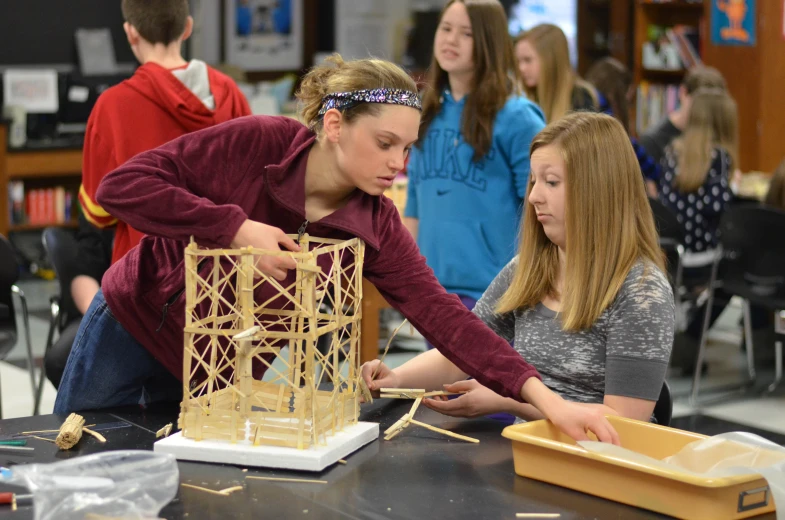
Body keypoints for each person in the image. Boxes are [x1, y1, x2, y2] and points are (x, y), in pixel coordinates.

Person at [54, 55, 619, 445]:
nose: (399, 164)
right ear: (333, 125)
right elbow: (121, 187)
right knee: (75, 468)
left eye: (408, 148)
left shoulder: (375, 224)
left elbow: (448, 318)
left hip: (218, 371)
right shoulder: (258, 143)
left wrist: (548, 401)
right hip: (128, 328)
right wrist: (234, 228)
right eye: (384, 143)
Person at [364, 112, 674, 423]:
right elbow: (465, 348)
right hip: (527, 453)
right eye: (533, 181)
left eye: (551, 182)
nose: (534, 197)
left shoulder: (642, 291)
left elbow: (625, 422)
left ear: (597, 189)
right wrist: (397, 379)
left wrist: (511, 400)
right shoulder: (529, 267)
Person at [403, 0, 545, 335]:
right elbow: (414, 202)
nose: (450, 40)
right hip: (432, 291)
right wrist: (408, 285)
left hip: (494, 292)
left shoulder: (518, 117)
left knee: (471, 389)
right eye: (446, 28)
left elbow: (541, 206)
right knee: (439, 389)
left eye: (465, 33)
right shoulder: (424, 110)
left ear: (489, 41)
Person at [79, 0, 252, 266]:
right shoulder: (230, 93)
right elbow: (252, 187)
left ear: (130, 32)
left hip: (148, 278)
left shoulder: (112, 105)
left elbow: (99, 212)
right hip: (224, 276)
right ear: (187, 28)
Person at [658, 88, 739, 374]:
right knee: (738, 273)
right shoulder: (719, 159)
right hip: (702, 258)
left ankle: (684, 339)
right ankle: (691, 339)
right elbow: (717, 210)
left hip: (672, 253)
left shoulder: (671, 152)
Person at [43, 214, 114, 389]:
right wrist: (103, 317)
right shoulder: (99, 206)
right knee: (61, 361)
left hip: (165, 310)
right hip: (106, 308)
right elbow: (84, 268)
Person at [585, 57, 660, 196]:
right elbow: (628, 147)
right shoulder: (603, 113)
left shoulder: (584, 100)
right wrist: (655, 174)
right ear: (618, 92)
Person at [640, 66, 726, 166]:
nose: (706, 112)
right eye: (700, 104)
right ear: (683, 93)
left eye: (712, 107)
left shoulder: (715, 134)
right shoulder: (652, 141)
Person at [513, 24, 598, 123]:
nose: (521, 68)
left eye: (528, 60)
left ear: (550, 61)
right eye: (518, 61)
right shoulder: (523, 100)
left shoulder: (580, 98)